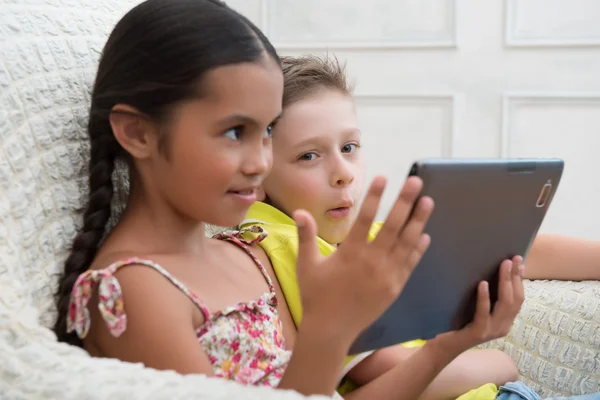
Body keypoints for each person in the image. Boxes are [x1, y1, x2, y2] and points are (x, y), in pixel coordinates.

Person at [52, 1, 524, 399]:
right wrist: (330, 326)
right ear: (138, 132)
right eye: (236, 131)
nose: (261, 162)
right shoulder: (131, 292)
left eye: (268, 134)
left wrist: (452, 344)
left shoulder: (245, 253)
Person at [239, 54, 600, 399]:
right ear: (260, 170)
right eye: (309, 156)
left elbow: (510, 250)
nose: (344, 173)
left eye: (349, 147)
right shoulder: (282, 245)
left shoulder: (360, 240)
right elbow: (382, 367)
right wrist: (498, 363)